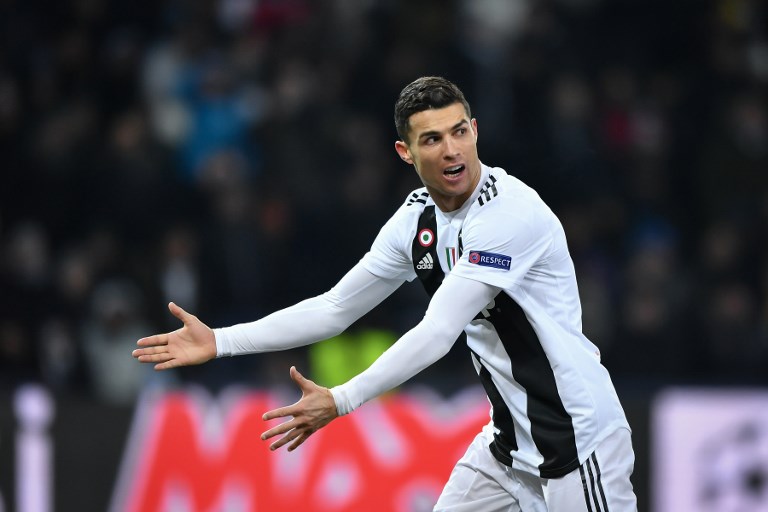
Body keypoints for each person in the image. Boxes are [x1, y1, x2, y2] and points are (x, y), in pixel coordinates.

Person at [133, 76, 638, 511]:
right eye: (433, 139)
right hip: (509, 445)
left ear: (475, 130)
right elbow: (335, 309)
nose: (452, 150)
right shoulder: (416, 222)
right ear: (406, 152)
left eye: (460, 132)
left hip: (576, 440)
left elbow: (438, 331)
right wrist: (220, 341)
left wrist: (342, 399)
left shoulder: (509, 215)